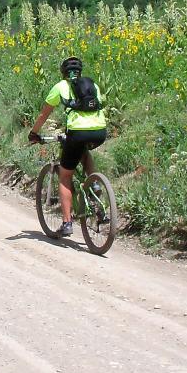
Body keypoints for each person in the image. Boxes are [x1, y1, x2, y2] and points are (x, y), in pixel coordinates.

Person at [27, 56, 107, 238]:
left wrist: (34, 133)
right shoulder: (92, 85)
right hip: (100, 131)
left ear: (63, 72)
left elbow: (44, 114)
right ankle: (94, 184)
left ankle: (67, 223)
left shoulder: (61, 87)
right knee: (83, 150)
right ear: (80, 71)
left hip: (77, 132)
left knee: (65, 175)